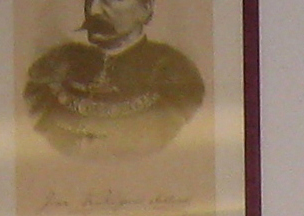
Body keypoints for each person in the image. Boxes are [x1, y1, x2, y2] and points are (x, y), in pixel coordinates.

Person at [24, 0, 205, 162]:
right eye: (89, 0)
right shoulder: (53, 67)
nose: (94, 10)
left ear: (146, 9)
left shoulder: (176, 75)